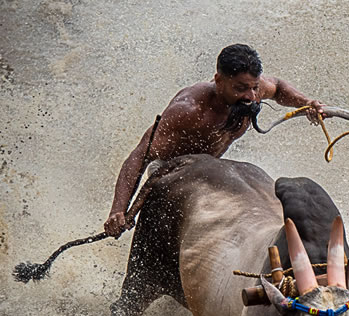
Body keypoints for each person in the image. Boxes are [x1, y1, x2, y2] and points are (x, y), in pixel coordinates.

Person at [104, 43, 325, 237]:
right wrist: (118, 210)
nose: (250, 96)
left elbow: (278, 88)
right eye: (240, 88)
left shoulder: (252, 91)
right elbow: (140, 155)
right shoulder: (189, 111)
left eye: (254, 87)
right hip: (171, 175)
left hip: (208, 168)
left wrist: (306, 103)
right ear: (219, 81)